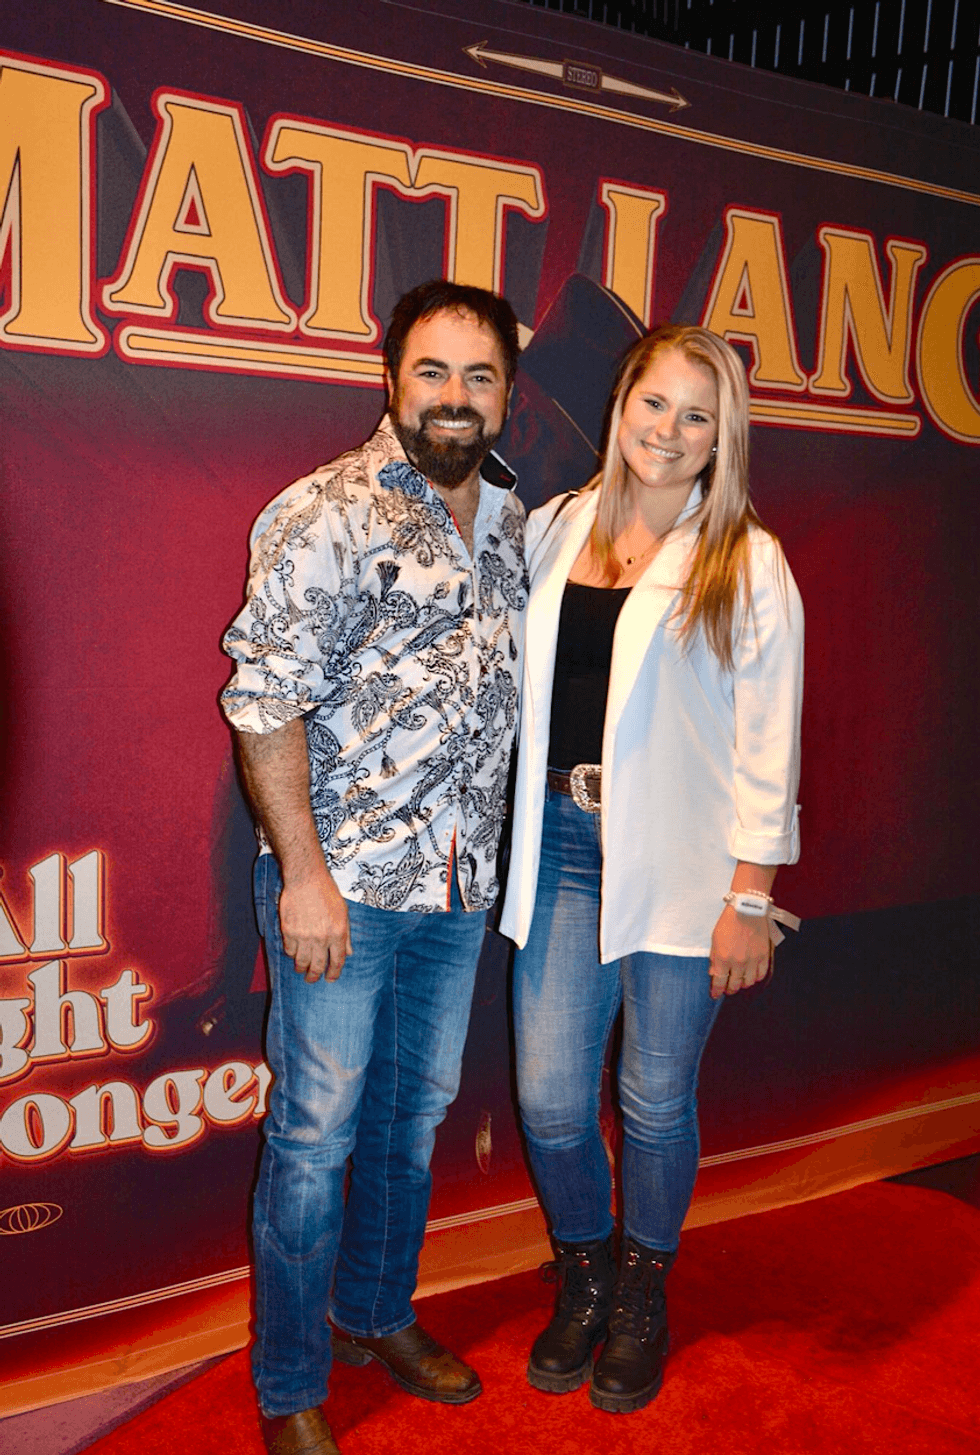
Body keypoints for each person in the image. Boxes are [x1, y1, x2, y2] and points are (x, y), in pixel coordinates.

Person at [221, 280, 526, 1455]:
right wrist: (301, 874)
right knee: (313, 1138)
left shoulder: (509, 516)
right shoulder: (319, 514)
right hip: (338, 891)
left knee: (412, 1121)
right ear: (390, 379)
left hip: (456, 889)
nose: (455, 397)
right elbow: (262, 703)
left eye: (479, 375)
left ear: (506, 391)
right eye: (433, 373)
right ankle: (291, 1384)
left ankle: (375, 1315)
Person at [498, 323, 803, 1414]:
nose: (666, 431)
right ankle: (584, 1270)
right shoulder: (551, 528)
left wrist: (749, 898)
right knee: (546, 1100)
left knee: (655, 1099)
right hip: (562, 850)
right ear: (619, 402)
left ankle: (641, 1292)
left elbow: (768, 740)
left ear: (722, 437)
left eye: (695, 415)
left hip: (682, 865)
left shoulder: (746, 559)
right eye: (653, 404)